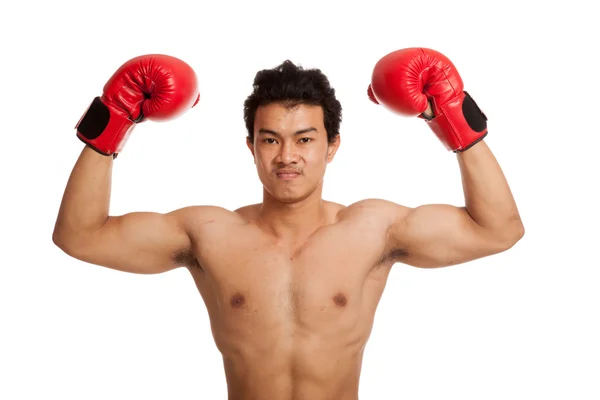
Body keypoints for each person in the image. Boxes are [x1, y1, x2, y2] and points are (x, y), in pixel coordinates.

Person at [52, 48, 524, 399]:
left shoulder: (372, 229)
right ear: (251, 147)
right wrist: (112, 122)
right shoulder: (210, 234)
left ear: (332, 145)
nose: (287, 157)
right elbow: (80, 236)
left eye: (304, 139)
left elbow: (498, 229)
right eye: (270, 140)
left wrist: (451, 118)